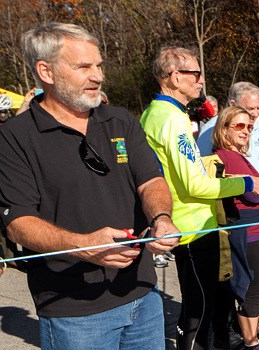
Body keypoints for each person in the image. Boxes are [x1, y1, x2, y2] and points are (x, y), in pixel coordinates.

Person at [0, 22, 180, 350]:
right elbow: (17, 224)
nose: (97, 75)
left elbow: (151, 180)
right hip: (74, 312)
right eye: (84, 66)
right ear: (46, 71)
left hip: (144, 295)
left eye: (99, 65)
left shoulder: (121, 120)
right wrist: (84, 245)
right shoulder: (15, 137)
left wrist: (161, 218)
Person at [140, 46, 259, 350]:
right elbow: (195, 184)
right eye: (194, 73)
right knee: (199, 311)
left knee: (201, 308)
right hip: (192, 225)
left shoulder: (158, 112)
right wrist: (246, 183)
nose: (200, 79)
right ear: (173, 77)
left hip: (187, 222)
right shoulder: (171, 118)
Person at [210, 107, 259, 350]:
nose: (246, 131)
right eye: (239, 126)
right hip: (249, 233)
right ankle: (251, 342)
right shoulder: (225, 155)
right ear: (224, 129)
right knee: (253, 291)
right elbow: (253, 194)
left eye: (249, 127)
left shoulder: (239, 156)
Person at [197, 82, 259, 175]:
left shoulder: (255, 126)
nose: (256, 114)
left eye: (258, 108)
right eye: (251, 108)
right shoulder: (211, 129)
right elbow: (204, 168)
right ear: (233, 104)